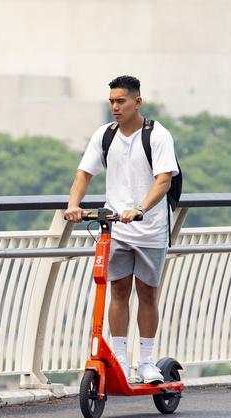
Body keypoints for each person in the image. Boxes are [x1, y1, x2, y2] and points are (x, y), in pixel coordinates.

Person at [64, 75, 179, 383]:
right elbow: (84, 173)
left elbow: (164, 180)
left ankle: (146, 361)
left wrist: (140, 208)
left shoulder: (157, 135)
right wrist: (74, 204)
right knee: (117, 291)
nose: (115, 107)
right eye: (112, 101)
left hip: (150, 226)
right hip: (116, 227)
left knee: (147, 293)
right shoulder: (105, 135)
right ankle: (118, 359)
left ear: (137, 102)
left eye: (121, 101)